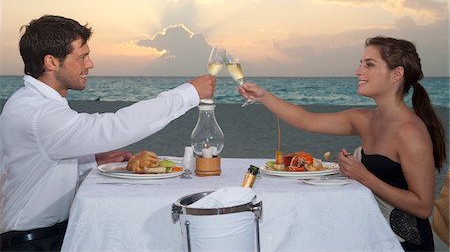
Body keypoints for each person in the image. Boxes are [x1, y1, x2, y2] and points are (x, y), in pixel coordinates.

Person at [0, 15, 216, 251]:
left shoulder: (34, 102)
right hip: (32, 244)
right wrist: (188, 94)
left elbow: (39, 162)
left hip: (45, 237)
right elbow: (113, 128)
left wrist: (89, 161)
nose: (89, 64)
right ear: (51, 62)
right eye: (82, 57)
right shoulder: (38, 113)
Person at [239, 36, 447, 251]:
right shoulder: (365, 119)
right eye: (360, 64)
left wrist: (364, 176)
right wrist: (263, 96)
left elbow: (423, 207)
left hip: (403, 244)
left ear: (397, 74)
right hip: (374, 234)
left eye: (369, 64)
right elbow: (307, 120)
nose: (358, 71)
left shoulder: (410, 131)